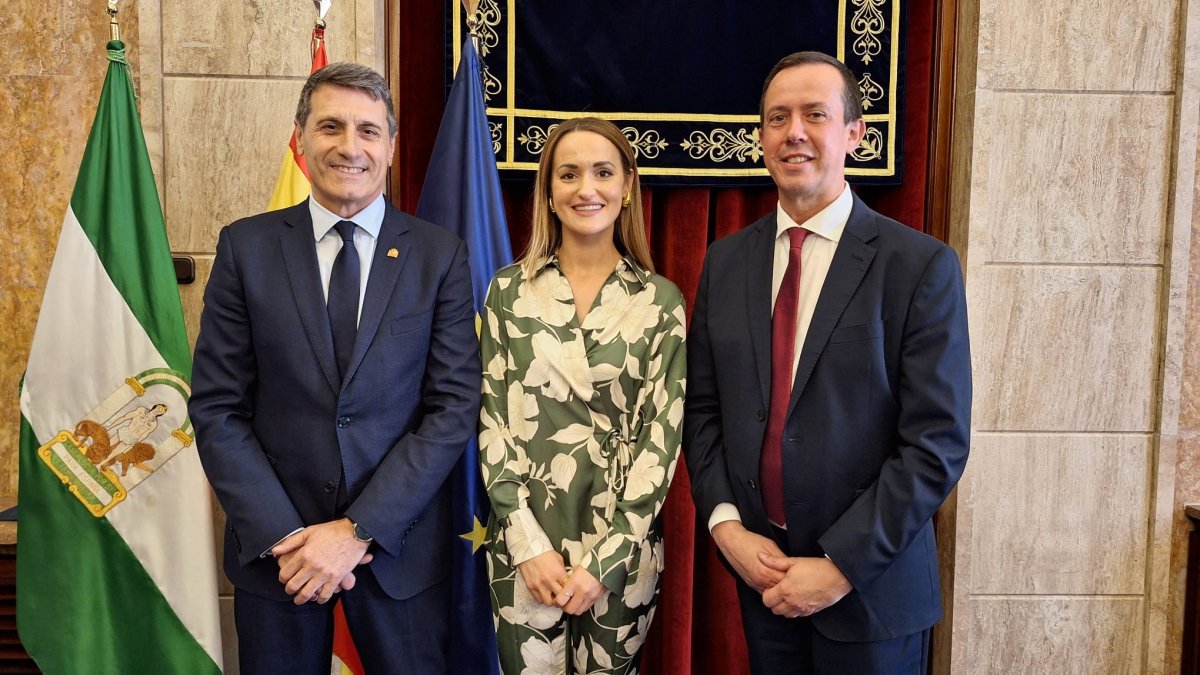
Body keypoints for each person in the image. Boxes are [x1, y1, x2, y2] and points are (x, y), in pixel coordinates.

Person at [684, 51, 971, 673]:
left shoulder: (919, 266)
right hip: (766, 588)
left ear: (853, 133)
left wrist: (840, 565)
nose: (794, 132)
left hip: (873, 597)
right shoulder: (725, 262)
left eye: (815, 114)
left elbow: (937, 442)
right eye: (777, 117)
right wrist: (726, 527)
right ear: (760, 136)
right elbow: (703, 412)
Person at [189, 62, 480, 674]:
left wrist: (356, 530)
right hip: (280, 560)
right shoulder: (246, 247)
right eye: (331, 127)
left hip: (396, 552)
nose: (351, 147)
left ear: (393, 147)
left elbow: (452, 407)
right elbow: (218, 406)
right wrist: (287, 538)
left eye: (369, 131)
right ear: (300, 140)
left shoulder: (438, 255)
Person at [478, 117, 686, 674]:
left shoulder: (662, 302)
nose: (585, 189)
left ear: (626, 188)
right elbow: (491, 424)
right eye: (568, 174)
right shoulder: (506, 292)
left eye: (602, 173)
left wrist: (608, 560)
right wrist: (528, 546)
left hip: (622, 550)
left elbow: (660, 442)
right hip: (525, 546)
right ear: (548, 191)